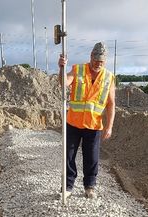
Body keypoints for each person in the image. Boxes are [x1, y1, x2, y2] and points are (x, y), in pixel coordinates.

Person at [58, 42, 115, 199]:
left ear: (105, 61)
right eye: (96, 60)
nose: (98, 64)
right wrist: (61, 68)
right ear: (91, 56)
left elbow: (111, 104)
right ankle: (67, 186)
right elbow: (63, 83)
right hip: (73, 123)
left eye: (101, 62)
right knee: (68, 155)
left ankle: (90, 186)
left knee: (92, 158)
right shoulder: (78, 70)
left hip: (94, 125)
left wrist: (109, 127)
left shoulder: (109, 77)